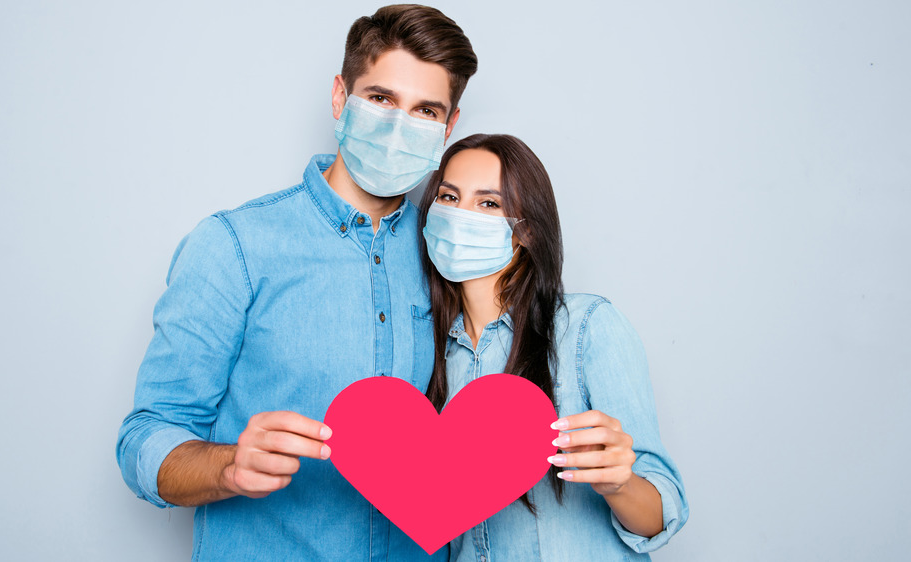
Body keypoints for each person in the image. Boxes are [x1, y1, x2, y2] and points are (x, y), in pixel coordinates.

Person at [116, 5, 477, 560]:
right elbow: (145, 436)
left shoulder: (450, 256)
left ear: (448, 128)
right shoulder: (234, 246)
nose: (400, 125)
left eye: (425, 110)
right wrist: (228, 465)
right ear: (339, 98)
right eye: (380, 99)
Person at [418, 134, 689, 560]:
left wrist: (619, 483)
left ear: (524, 231)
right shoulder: (429, 354)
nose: (459, 215)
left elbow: (660, 515)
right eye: (448, 197)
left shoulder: (586, 328)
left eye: (488, 204)